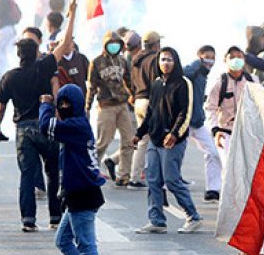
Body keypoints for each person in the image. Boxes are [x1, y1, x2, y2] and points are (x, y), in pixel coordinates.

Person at [39, 83, 110, 255]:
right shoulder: (75, 125)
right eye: (62, 103)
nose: (64, 107)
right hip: (77, 193)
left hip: (83, 193)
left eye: (68, 103)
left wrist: (46, 105)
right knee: (63, 240)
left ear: (78, 105)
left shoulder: (77, 125)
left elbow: (45, 126)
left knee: (87, 247)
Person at [133, 47, 203, 234]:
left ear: (176, 61)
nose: (166, 63)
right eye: (163, 60)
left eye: (170, 60)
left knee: (172, 180)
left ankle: (193, 216)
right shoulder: (156, 84)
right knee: (153, 180)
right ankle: (157, 220)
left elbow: (185, 112)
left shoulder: (183, 83)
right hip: (155, 140)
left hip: (173, 141)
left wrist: (174, 134)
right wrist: (140, 133)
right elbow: (151, 112)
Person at [0, 38, 60, 231]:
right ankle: (55, 217)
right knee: (53, 173)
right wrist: (71, 15)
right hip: (46, 125)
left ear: (18, 54)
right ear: (37, 51)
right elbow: (62, 47)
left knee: (27, 176)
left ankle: (28, 219)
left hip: (23, 129)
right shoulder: (45, 68)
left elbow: (1, 107)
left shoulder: (9, 77)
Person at [87, 31, 136, 188]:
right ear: (105, 44)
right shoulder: (96, 62)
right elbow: (92, 87)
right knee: (103, 142)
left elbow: (129, 82)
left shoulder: (123, 61)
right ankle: (91, 171)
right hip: (106, 105)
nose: (114, 46)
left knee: (128, 141)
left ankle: (124, 175)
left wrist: (134, 97)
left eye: (117, 43)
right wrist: (87, 107)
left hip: (122, 104)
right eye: (111, 43)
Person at [207, 47, 259, 170]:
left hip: (247, 132)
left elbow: (260, 107)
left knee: (248, 169)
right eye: (232, 57)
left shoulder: (252, 81)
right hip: (226, 132)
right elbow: (210, 107)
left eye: (239, 56)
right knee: (229, 169)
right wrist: (215, 130)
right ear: (225, 60)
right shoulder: (220, 82)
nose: (236, 59)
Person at [184, 45, 223, 202]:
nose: (210, 60)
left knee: (213, 152)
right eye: (206, 56)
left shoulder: (203, 75)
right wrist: (197, 63)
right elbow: (183, 75)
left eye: (213, 57)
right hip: (184, 122)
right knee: (175, 156)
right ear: (199, 57)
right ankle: (166, 185)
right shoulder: (194, 70)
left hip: (198, 122)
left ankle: (213, 189)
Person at [126, 31, 162, 187]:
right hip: (149, 100)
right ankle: (141, 177)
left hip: (138, 100)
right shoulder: (154, 59)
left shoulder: (136, 59)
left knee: (142, 140)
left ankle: (135, 176)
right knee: (154, 140)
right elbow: (157, 82)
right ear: (155, 44)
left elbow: (131, 82)